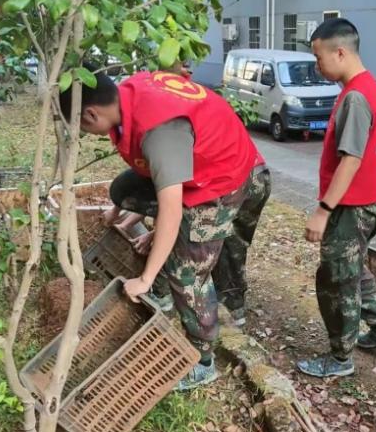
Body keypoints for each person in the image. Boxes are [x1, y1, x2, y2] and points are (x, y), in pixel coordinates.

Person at [58, 69, 262, 390]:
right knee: (125, 190)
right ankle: (164, 294)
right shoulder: (129, 93)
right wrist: (118, 211)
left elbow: (171, 208)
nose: (86, 133)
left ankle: (201, 360)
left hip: (219, 179)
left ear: (91, 113)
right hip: (194, 160)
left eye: (83, 127)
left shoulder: (159, 132)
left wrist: (146, 277)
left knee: (188, 274)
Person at [297, 18, 376, 379]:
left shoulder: (357, 96)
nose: (317, 66)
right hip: (367, 204)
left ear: (340, 52)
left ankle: (340, 358)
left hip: (351, 208)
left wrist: (323, 210)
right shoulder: (367, 87)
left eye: (318, 57)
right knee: (354, 271)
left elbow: (351, 160)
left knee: (336, 278)